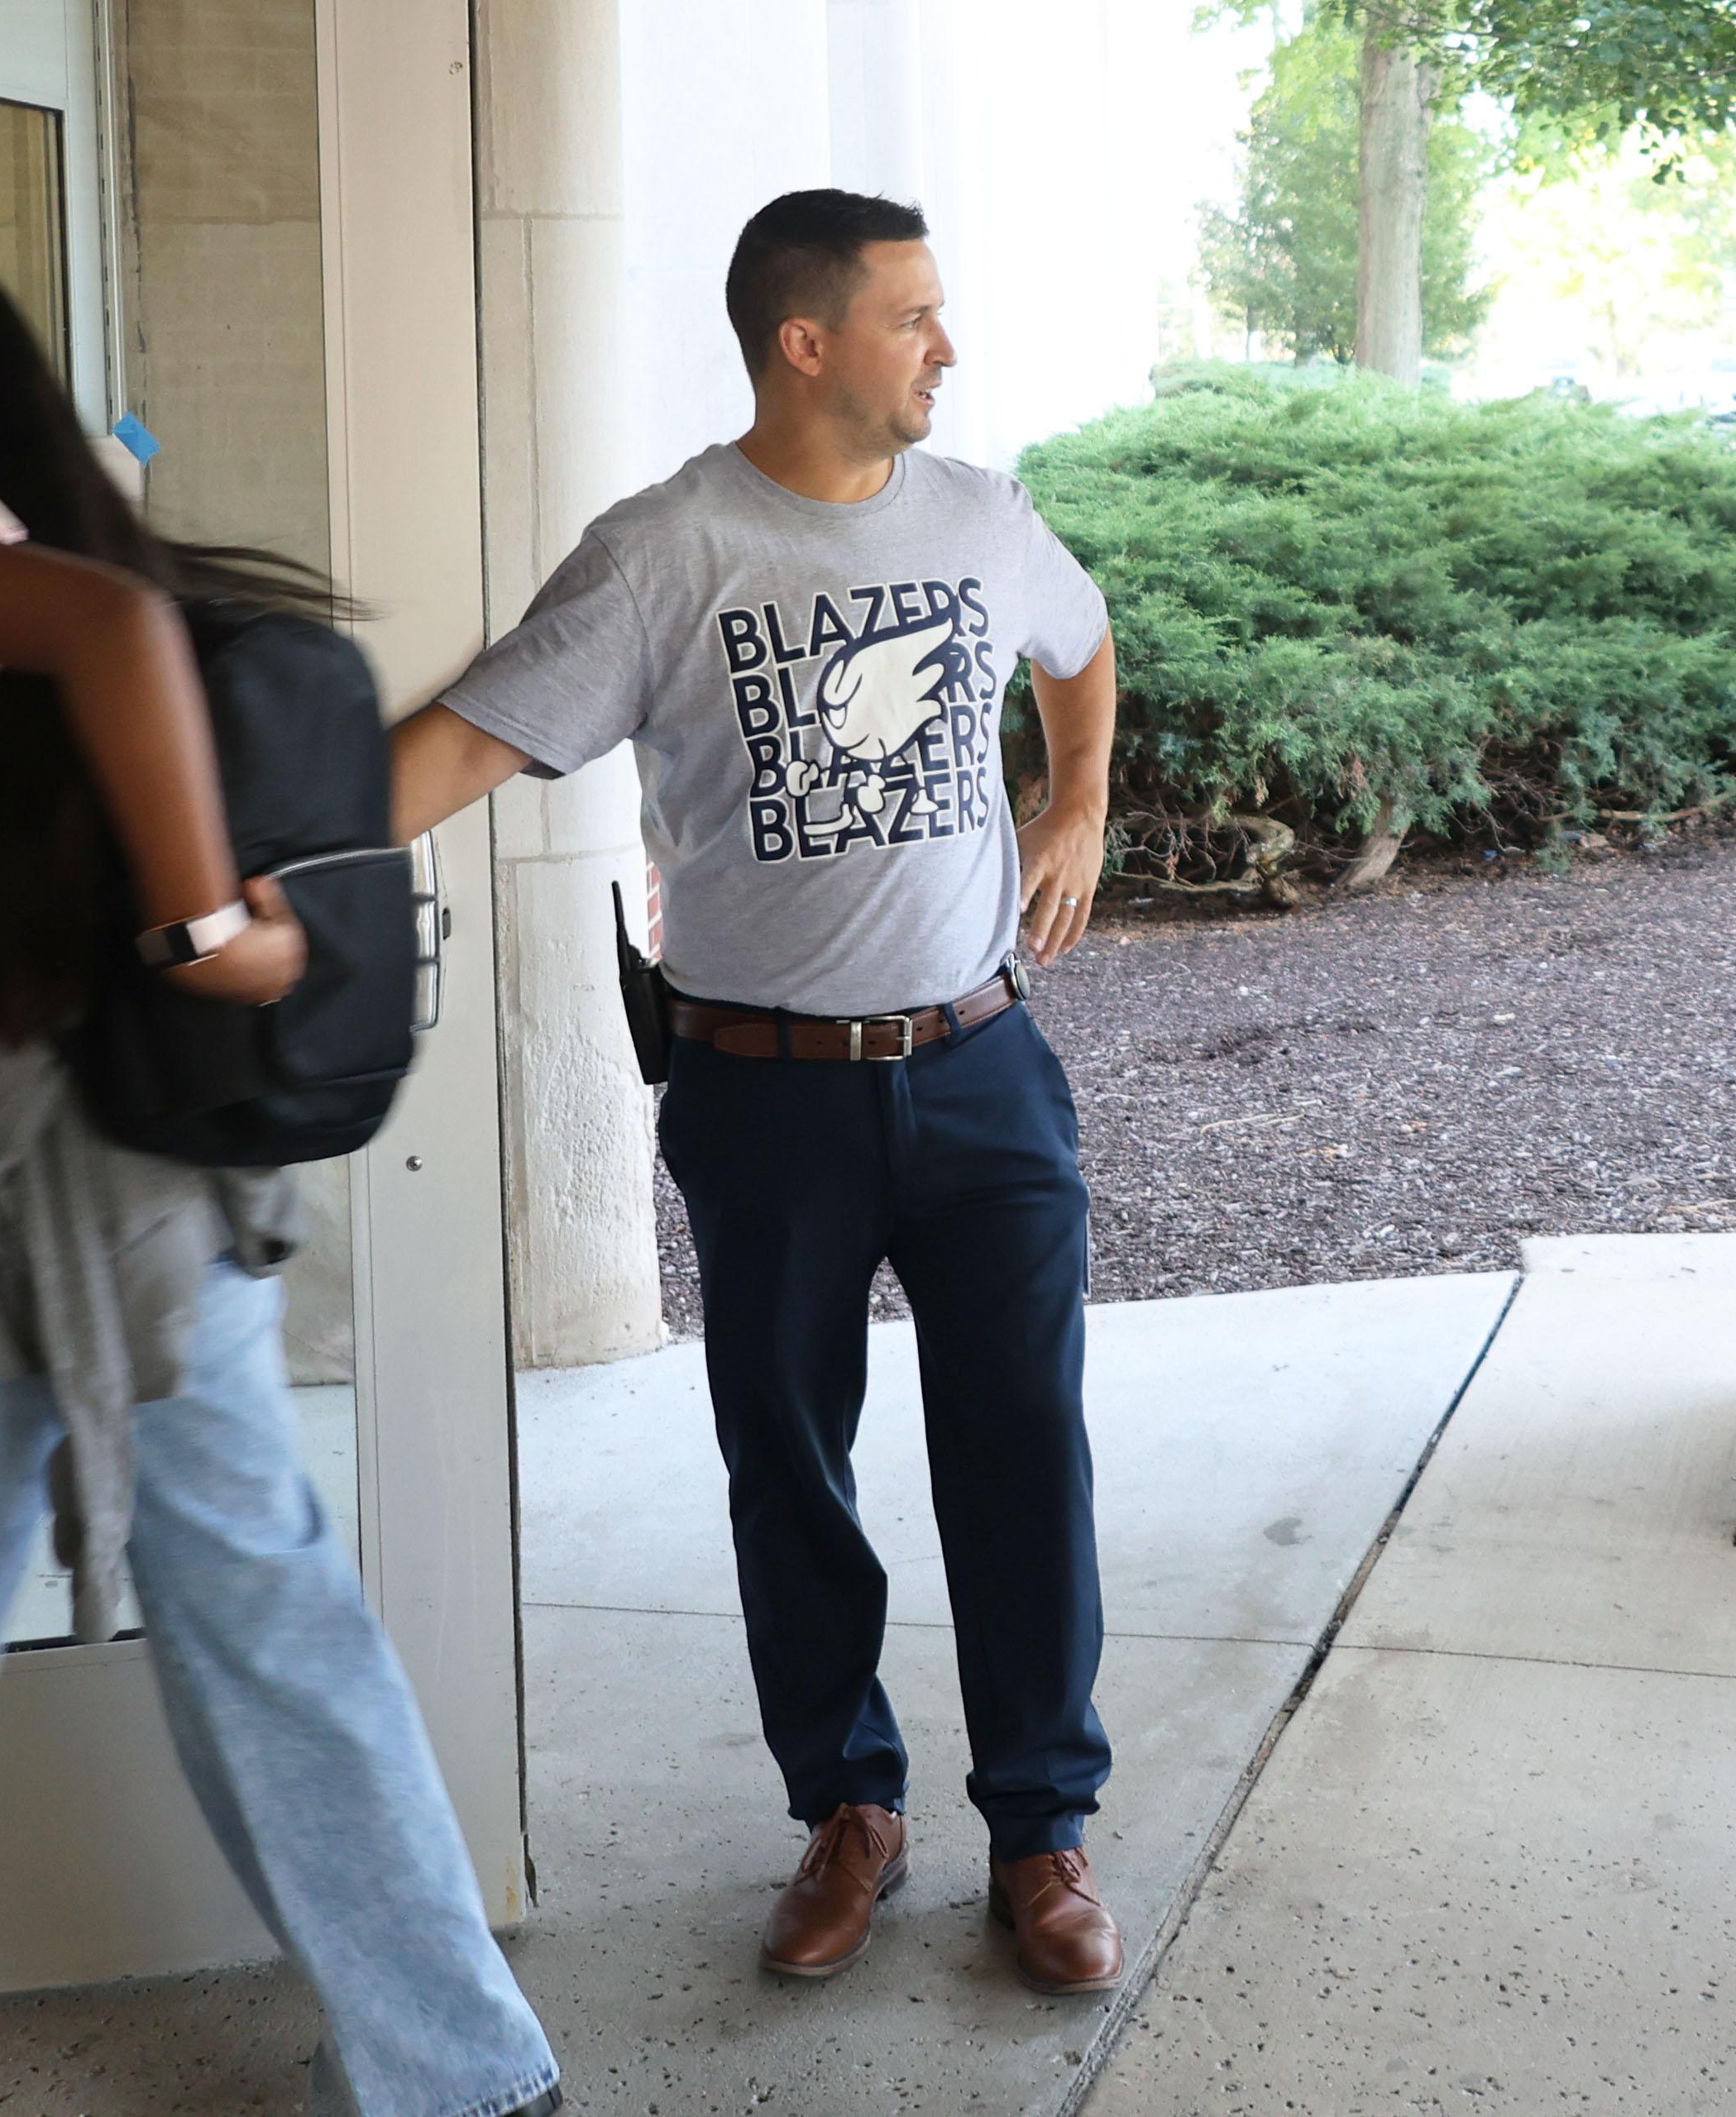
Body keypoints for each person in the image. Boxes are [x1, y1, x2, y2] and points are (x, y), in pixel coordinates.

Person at [0, 249, 559, 2117]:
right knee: (271, 1629)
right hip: (128, 1179)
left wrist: (203, 925)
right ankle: (471, 2076)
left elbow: (123, 639)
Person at [387, 189, 1126, 1995]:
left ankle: (1041, 1824)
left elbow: (1080, 643)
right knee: (788, 1464)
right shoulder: (666, 552)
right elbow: (471, 739)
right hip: (767, 1091)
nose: (947, 347)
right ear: (807, 343)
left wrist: (1079, 799)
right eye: (912, 317)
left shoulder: (982, 516)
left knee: (1024, 1453)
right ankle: (849, 1805)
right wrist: (233, 859)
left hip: (982, 1069)